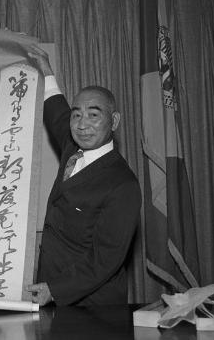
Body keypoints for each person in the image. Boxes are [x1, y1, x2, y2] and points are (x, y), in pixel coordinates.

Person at [26, 46, 141, 306]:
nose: (82, 124)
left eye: (93, 115)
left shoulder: (123, 185)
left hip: (93, 305)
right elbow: (56, 107)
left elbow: (106, 260)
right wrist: (45, 68)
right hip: (49, 294)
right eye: (76, 114)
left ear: (114, 121)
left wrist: (54, 289)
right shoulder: (72, 147)